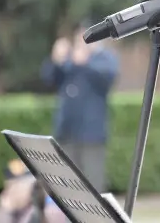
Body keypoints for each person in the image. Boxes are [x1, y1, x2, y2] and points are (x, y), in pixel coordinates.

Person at [40, 18, 119, 193]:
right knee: (69, 185)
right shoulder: (70, 60)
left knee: (93, 184)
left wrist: (86, 62)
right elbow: (49, 78)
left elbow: (108, 78)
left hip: (91, 134)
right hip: (67, 131)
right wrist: (56, 59)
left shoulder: (104, 58)